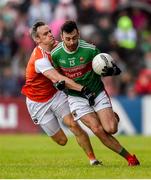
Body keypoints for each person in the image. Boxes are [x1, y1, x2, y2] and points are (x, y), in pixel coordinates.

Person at [51, 20, 140, 166]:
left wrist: (111, 70)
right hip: (76, 97)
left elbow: (102, 67)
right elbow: (57, 76)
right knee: (97, 129)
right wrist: (58, 84)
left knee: (111, 128)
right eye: (67, 38)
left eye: (74, 37)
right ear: (61, 37)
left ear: (78, 34)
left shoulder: (90, 50)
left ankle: (113, 118)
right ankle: (130, 158)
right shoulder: (56, 54)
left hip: (96, 92)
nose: (71, 42)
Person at [21, 21, 101, 165]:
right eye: (45, 34)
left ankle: (93, 160)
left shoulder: (60, 46)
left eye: (50, 31)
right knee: (62, 141)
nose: (50, 35)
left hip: (55, 95)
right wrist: (82, 89)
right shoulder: (40, 59)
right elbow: (57, 78)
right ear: (37, 40)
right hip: (37, 102)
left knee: (73, 124)